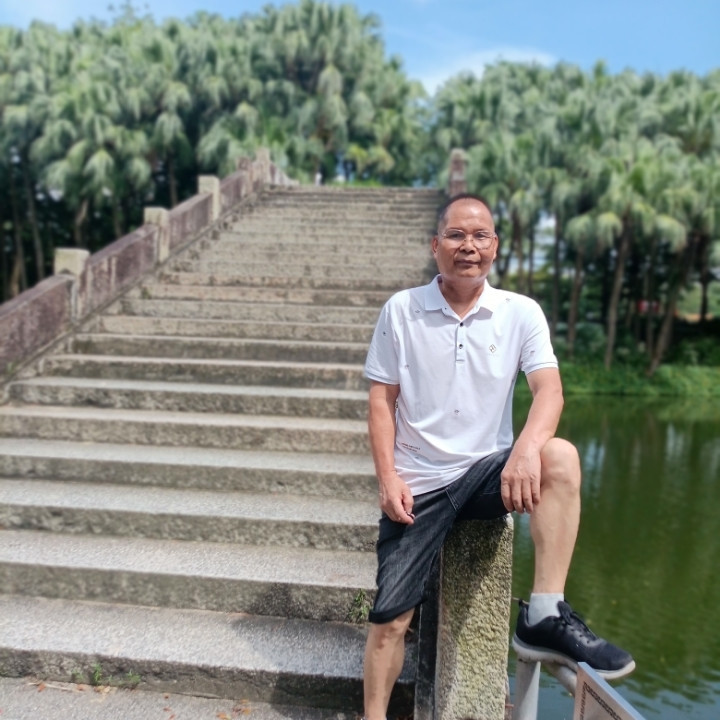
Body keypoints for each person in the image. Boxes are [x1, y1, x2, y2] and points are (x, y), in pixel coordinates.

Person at [362, 193, 634, 719]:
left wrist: (525, 450)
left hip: (490, 474)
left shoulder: (520, 312)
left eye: (480, 235)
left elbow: (549, 391)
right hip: (419, 485)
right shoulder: (402, 309)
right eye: (456, 235)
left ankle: (544, 613)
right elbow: (381, 401)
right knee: (390, 619)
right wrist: (388, 477)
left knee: (560, 456)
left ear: (495, 246)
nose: (468, 246)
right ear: (435, 245)